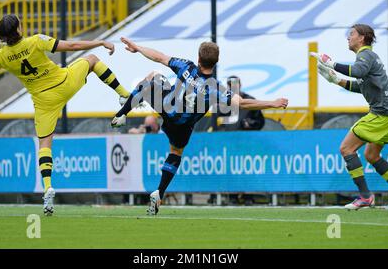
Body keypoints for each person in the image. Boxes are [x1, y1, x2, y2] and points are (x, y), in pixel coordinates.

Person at [112, 37, 288, 215]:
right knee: (175, 152)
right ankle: (160, 192)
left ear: (198, 58)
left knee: (153, 77)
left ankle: (122, 113)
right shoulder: (215, 88)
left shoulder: (186, 67)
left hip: (167, 107)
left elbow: (160, 57)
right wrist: (272, 103)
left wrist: (137, 47)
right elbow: (242, 103)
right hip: (182, 126)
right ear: (216, 62)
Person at [0, 14, 130, 216]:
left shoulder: (0, 56)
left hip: (43, 101)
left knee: (45, 144)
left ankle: (48, 187)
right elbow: (73, 47)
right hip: (63, 83)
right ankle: (125, 95)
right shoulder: (36, 40)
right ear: (18, 29)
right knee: (92, 60)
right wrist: (100, 41)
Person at [313, 23, 388, 212]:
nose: (348, 38)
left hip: (383, 114)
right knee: (371, 155)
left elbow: (356, 72)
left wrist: (330, 63)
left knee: (346, 148)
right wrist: (334, 79)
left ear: (362, 38)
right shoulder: (367, 57)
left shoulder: (365, 55)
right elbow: (360, 86)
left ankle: (366, 197)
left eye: (351, 34)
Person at [216, 75, 265, 205]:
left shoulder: (250, 101)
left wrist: (251, 124)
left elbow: (260, 121)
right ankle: (233, 196)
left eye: (235, 85)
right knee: (232, 169)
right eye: (231, 86)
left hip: (247, 144)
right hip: (231, 144)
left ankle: (248, 196)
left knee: (247, 168)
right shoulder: (222, 103)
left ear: (240, 85)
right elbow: (216, 124)